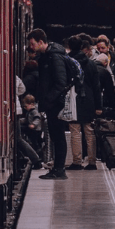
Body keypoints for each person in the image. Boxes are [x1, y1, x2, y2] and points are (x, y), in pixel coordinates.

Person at [26, 28, 70, 180]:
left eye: (32, 44)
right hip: (52, 103)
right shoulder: (47, 56)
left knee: (58, 137)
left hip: (55, 104)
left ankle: (59, 170)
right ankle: (57, 168)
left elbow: (60, 83)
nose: (31, 47)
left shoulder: (55, 57)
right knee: (56, 137)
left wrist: (48, 100)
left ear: (40, 42)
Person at [66, 35, 102, 170]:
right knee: (89, 131)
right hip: (89, 100)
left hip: (72, 100)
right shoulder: (91, 63)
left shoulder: (67, 62)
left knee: (75, 131)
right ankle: (92, 161)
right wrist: (98, 106)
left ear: (69, 47)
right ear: (82, 47)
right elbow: (96, 86)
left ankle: (77, 161)